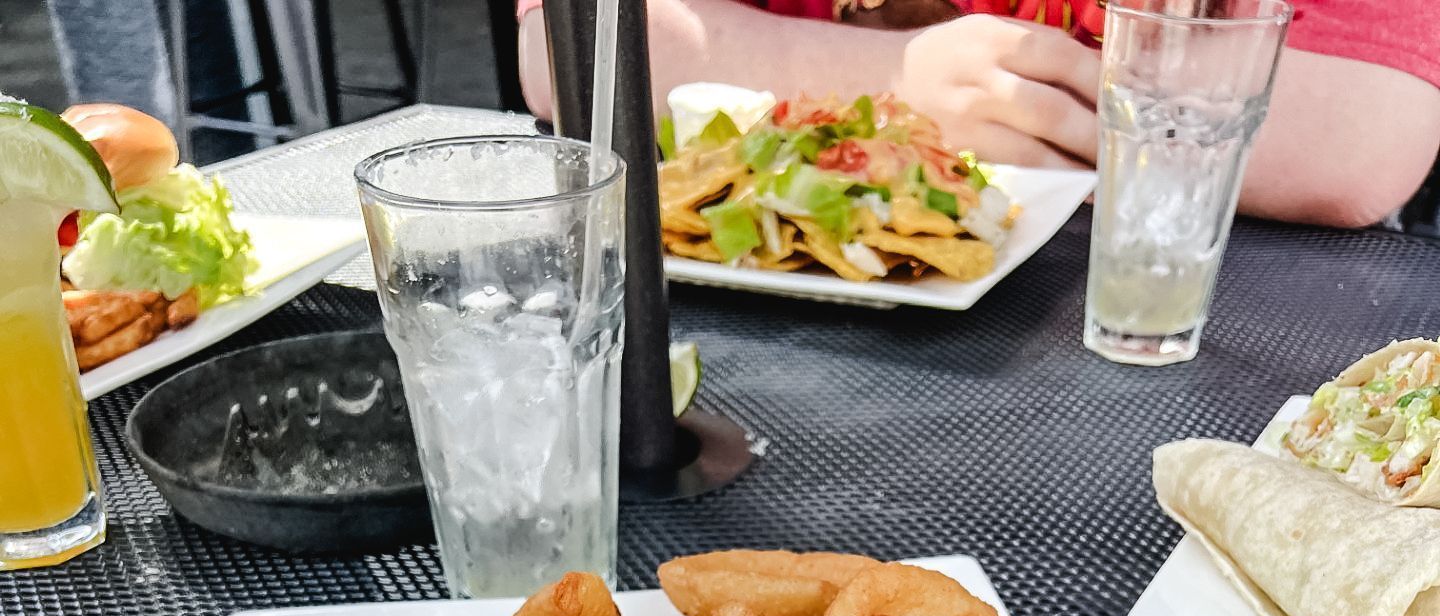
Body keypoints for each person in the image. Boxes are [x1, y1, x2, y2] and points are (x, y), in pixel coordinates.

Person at [517, 0, 1440, 229]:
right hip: (765, 352)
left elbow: (1364, 133)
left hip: (1192, 343)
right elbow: (574, 46)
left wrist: (1011, 101)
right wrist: (904, 93)